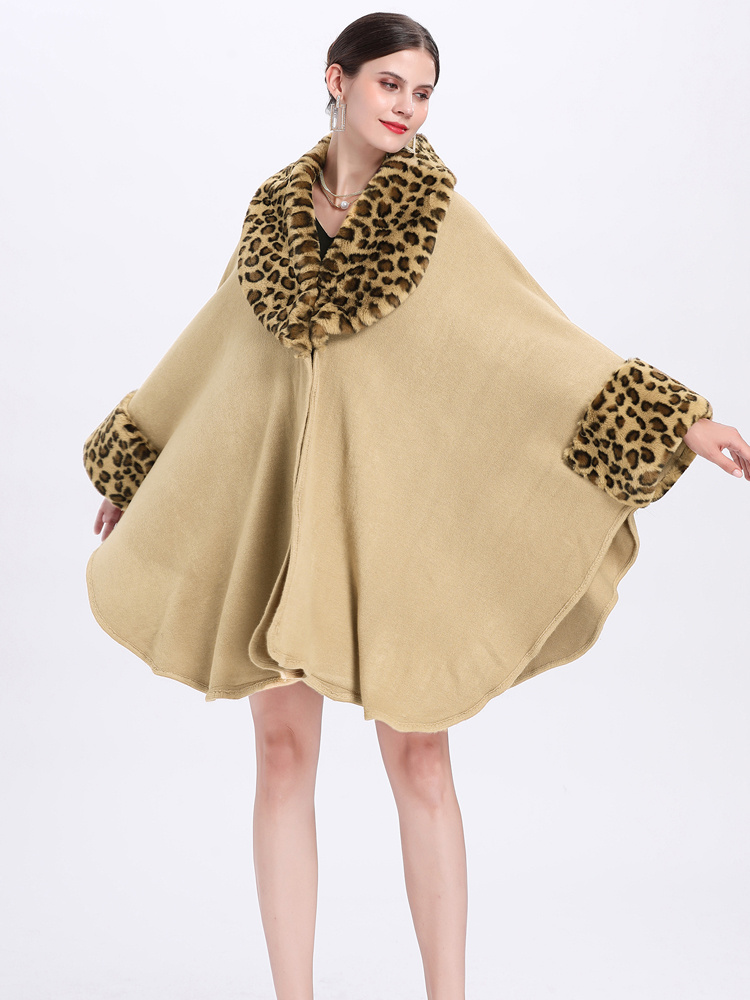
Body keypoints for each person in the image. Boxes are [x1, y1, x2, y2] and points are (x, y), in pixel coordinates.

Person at [83, 12, 749, 1000]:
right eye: (390, 83)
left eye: (424, 91)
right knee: (281, 752)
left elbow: (532, 341)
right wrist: (137, 462)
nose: (407, 106)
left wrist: (677, 419)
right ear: (338, 80)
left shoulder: (437, 221)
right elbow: (214, 348)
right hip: (280, 527)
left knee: (422, 755)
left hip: (390, 526)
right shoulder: (272, 221)